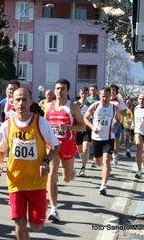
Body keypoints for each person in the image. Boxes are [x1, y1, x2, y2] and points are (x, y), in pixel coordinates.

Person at [0, 88, 60, 240]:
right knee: (20, 223)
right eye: (17, 100)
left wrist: (46, 160)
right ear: (12, 102)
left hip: (37, 182)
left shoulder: (41, 123)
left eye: (24, 99)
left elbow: (55, 146)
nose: (21, 103)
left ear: (31, 101)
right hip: (16, 181)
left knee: (37, 226)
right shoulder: (7, 125)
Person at [44, 78, 85, 221]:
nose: (59, 91)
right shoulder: (48, 106)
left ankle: (71, 172)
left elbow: (82, 126)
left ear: (67, 91)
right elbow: (44, 125)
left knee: (66, 178)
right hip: (52, 146)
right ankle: (54, 209)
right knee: (52, 174)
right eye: (57, 88)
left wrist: (68, 128)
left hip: (67, 146)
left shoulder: (72, 107)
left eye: (62, 89)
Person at [84, 87, 121, 195]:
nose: (104, 98)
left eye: (107, 96)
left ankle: (103, 185)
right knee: (98, 162)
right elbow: (85, 118)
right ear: (100, 96)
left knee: (106, 160)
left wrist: (115, 126)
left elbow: (118, 120)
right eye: (103, 96)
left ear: (110, 97)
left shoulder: (114, 108)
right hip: (96, 138)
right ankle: (106, 169)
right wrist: (92, 127)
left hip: (109, 137)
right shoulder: (94, 106)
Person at [74, 87, 91, 177]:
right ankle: (82, 155)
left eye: (85, 93)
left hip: (87, 129)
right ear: (80, 94)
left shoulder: (90, 105)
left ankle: (83, 168)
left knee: (86, 148)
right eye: (82, 93)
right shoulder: (75, 104)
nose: (83, 95)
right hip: (77, 129)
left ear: (87, 94)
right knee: (79, 149)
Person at [109, 84, 127, 164]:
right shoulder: (105, 99)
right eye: (110, 90)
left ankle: (115, 155)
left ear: (116, 92)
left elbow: (125, 113)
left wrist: (117, 110)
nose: (112, 91)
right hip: (107, 123)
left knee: (116, 140)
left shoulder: (119, 101)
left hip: (117, 123)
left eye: (113, 90)